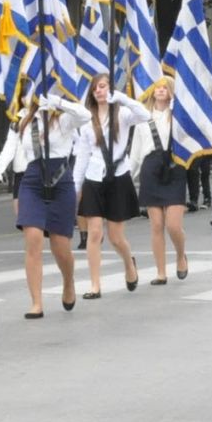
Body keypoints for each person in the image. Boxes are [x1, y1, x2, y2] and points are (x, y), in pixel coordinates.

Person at [12, 92, 89, 318]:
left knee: (60, 245)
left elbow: (85, 115)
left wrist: (58, 103)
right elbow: (15, 145)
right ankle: (36, 302)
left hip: (61, 179)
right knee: (33, 237)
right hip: (33, 179)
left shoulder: (65, 119)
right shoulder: (26, 117)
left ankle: (68, 281)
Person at [73, 73, 151, 298]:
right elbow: (83, 154)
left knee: (116, 237)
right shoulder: (87, 119)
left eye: (103, 86)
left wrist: (122, 99)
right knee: (94, 233)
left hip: (118, 177)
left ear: (111, 89)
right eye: (95, 88)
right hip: (94, 178)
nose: (99, 91)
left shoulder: (123, 114)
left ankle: (129, 263)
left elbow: (144, 114)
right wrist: (77, 186)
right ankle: (95, 285)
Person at [129, 76, 190, 284]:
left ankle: (181, 256)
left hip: (174, 167)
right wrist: (130, 177)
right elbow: (136, 152)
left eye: (165, 87)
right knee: (156, 224)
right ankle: (161, 272)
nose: (161, 90)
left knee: (173, 224)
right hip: (150, 168)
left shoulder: (178, 116)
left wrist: (176, 110)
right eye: (158, 88)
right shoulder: (143, 118)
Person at [0, 119, 29, 217]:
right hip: (20, 171)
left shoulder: (44, 116)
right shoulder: (17, 120)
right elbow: (10, 144)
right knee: (20, 211)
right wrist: (2, 165)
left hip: (39, 171)